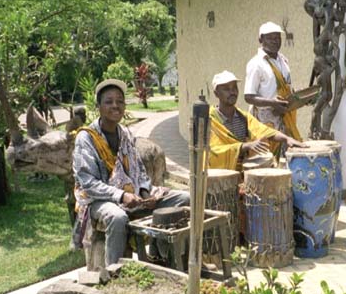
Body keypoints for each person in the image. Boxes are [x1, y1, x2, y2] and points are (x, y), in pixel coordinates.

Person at [71, 79, 190, 266]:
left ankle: (158, 255)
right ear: (98, 107)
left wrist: (144, 192)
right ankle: (115, 273)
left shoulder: (125, 133)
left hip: (131, 194)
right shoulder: (86, 138)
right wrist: (121, 195)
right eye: (109, 101)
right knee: (117, 218)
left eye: (120, 101)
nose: (115, 106)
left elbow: (139, 170)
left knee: (183, 198)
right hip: (97, 200)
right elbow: (88, 183)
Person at [210, 71, 304, 171]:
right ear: (216, 94)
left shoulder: (243, 117)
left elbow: (265, 131)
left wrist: (286, 139)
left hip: (242, 173)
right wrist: (244, 146)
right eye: (226, 89)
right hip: (219, 176)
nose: (232, 92)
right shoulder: (209, 120)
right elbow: (212, 152)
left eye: (234, 88)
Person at [245, 21, 302, 155]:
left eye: (277, 38)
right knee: (266, 158)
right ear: (261, 39)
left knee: (285, 155)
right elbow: (248, 96)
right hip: (265, 120)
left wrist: (297, 96)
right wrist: (272, 102)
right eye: (270, 38)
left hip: (284, 116)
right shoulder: (256, 64)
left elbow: (285, 87)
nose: (275, 41)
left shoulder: (283, 61)